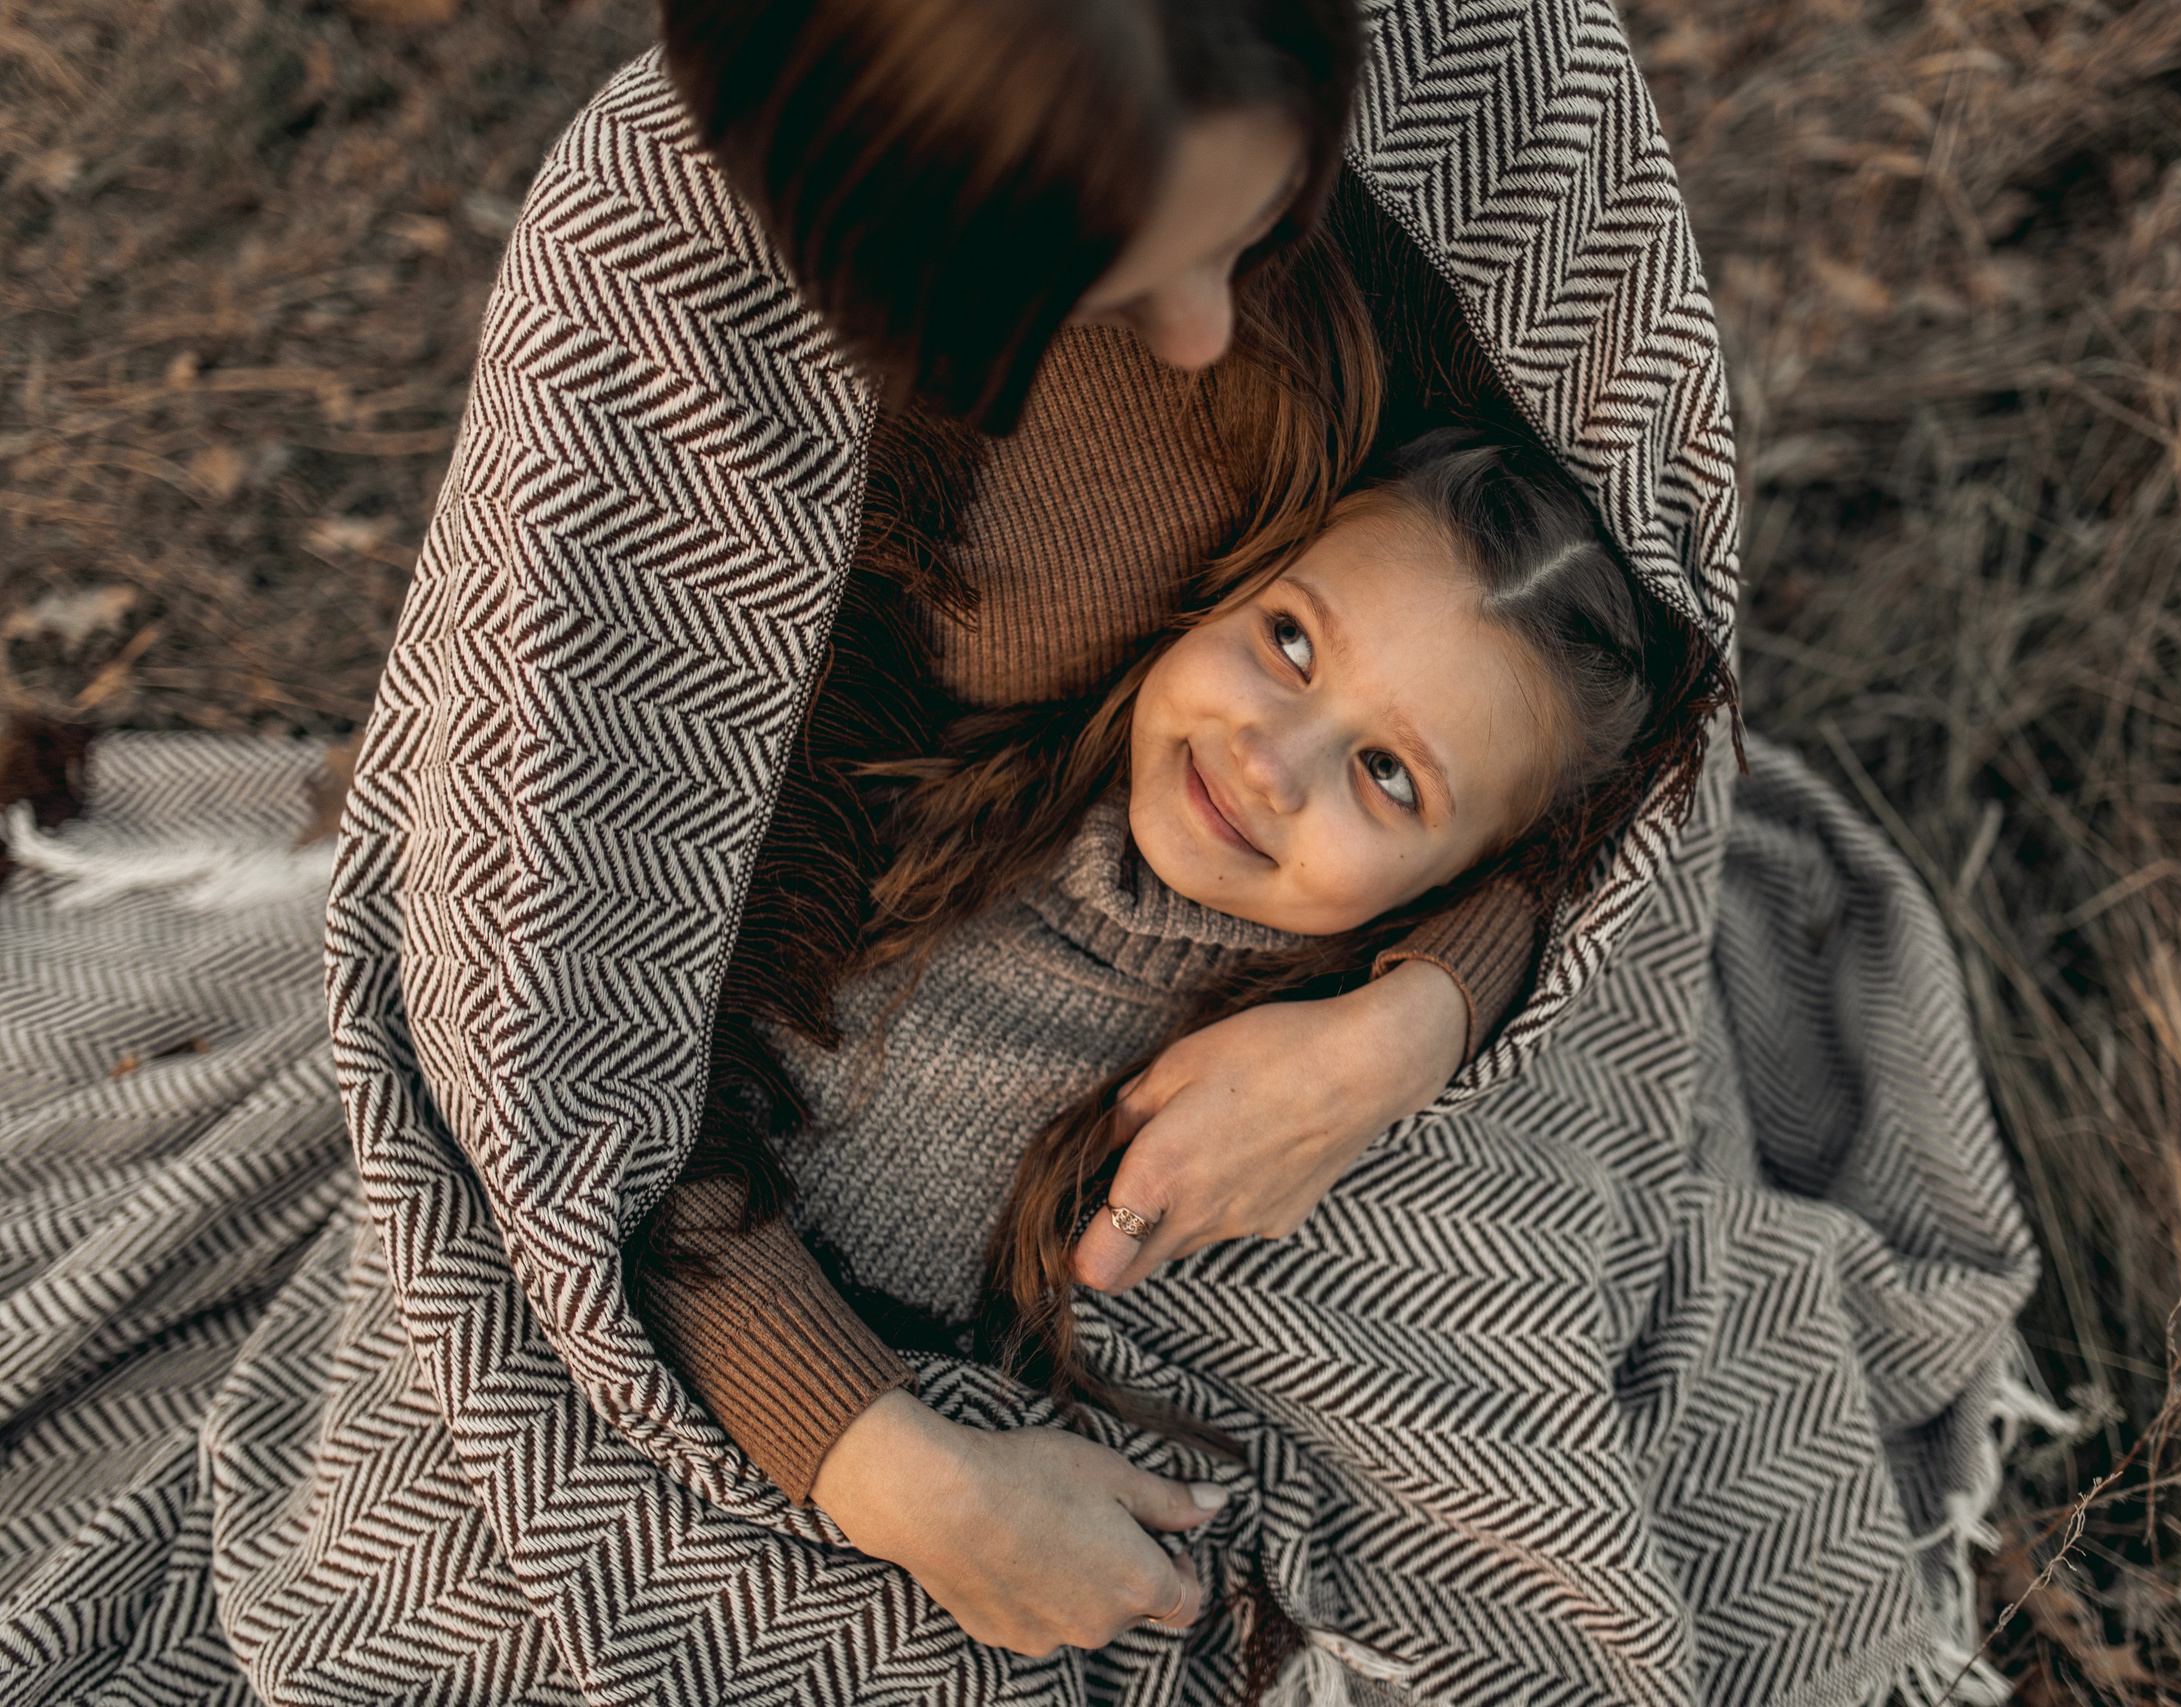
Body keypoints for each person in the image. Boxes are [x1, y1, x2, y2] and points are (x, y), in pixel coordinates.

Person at [0, 0, 2045, 1699]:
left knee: (1499, 1459)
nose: (1195, 341)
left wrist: (1412, 1020)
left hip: (1307, 995)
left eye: (1263, 232)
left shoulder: (1484, 65)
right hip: (811, 1096)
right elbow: (569, 1081)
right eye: (1106, 280)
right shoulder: (655, 321)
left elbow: (1617, 688)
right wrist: (886, 1466)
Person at [641, 427, 1703, 1657]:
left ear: (1469, 874)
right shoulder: (901, 791)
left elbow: (1591, 871)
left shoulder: (1307, 1038)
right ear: (1229, 580)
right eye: (1289, 641)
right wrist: (862, 1441)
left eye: (1387, 775)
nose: (1267, 760)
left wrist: (1424, 1003)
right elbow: (626, 1136)